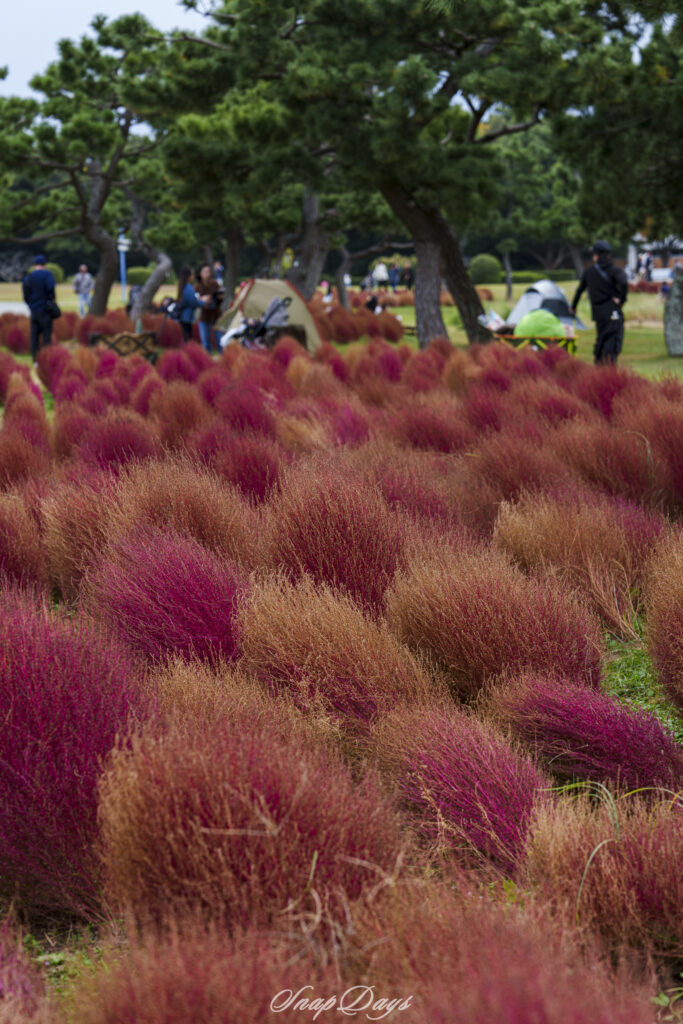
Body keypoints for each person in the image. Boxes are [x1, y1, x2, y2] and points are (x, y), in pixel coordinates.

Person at [569, 240, 628, 365]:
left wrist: (573, 307)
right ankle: (609, 367)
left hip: (598, 312)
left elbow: (580, 290)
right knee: (613, 338)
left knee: (601, 338)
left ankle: (599, 365)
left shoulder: (589, 272)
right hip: (612, 310)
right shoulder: (615, 270)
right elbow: (624, 283)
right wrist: (621, 300)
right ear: (608, 255)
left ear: (596, 256)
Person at [22, 254, 56, 363]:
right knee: (46, 336)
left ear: (35, 264)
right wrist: (51, 299)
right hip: (45, 309)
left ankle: (35, 360)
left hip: (34, 310)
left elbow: (25, 293)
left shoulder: (29, 276)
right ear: (44, 264)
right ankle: (46, 358)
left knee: (34, 336)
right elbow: (50, 288)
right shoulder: (47, 274)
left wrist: (30, 304)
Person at [196, 262, 225, 353]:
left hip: (216, 316)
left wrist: (219, 297)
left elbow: (221, 297)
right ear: (200, 274)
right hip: (204, 317)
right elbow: (194, 300)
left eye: (208, 271)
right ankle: (208, 359)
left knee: (220, 341)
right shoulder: (197, 286)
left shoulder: (214, 283)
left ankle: (222, 358)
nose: (207, 274)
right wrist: (202, 299)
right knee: (206, 343)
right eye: (205, 272)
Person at [176, 265, 208, 342]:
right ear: (188, 276)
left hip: (183, 316)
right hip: (187, 317)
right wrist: (204, 302)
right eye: (192, 274)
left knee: (186, 337)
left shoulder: (183, 287)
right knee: (188, 339)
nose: (193, 276)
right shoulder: (188, 288)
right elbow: (193, 303)